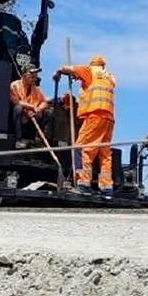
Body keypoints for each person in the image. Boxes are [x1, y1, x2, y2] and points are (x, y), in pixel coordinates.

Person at [54, 54, 116, 197]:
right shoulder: (109, 77)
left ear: (92, 64)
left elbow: (69, 69)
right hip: (109, 118)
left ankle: (84, 184)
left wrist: (59, 71)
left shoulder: (90, 71)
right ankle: (107, 187)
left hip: (94, 116)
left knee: (82, 148)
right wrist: (79, 78)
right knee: (104, 152)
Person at [9, 63, 51, 148]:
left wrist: (38, 109)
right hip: (20, 117)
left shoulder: (36, 89)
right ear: (24, 75)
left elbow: (44, 103)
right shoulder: (14, 85)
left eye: (35, 74)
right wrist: (32, 107)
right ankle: (18, 140)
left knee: (48, 112)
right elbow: (17, 102)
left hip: (32, 117)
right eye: (31, 74)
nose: (34, 76)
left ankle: (39, 139)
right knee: (18, 108)